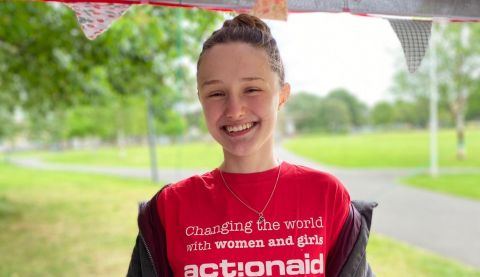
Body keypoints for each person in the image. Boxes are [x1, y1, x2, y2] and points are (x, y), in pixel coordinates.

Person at [127, 13, 376, 277]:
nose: (234, 110)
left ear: (282, 95)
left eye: (252, 89)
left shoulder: (326, 196)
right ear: (200, 99)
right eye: (216, 93)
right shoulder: (169, 207)